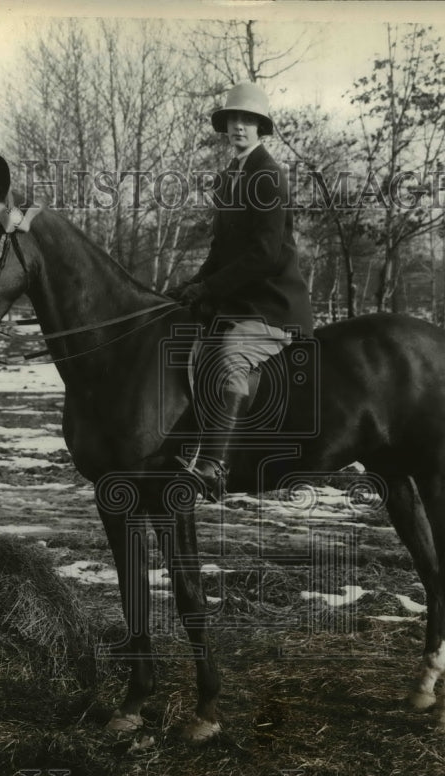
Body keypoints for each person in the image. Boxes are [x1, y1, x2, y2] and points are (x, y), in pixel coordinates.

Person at [168, 82, 314, 499]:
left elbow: (264, 256)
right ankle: (183, 448)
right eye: (233, 119)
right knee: (187, 343)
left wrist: (210, 286)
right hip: (239, 302)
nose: (239, 127)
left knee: (229, 356)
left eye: (248, 120)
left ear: (260, 127)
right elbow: (222, 250)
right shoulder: (231, 176)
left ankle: (214, 467)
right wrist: (192, 287)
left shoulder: (268, 175)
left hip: (273, 306)